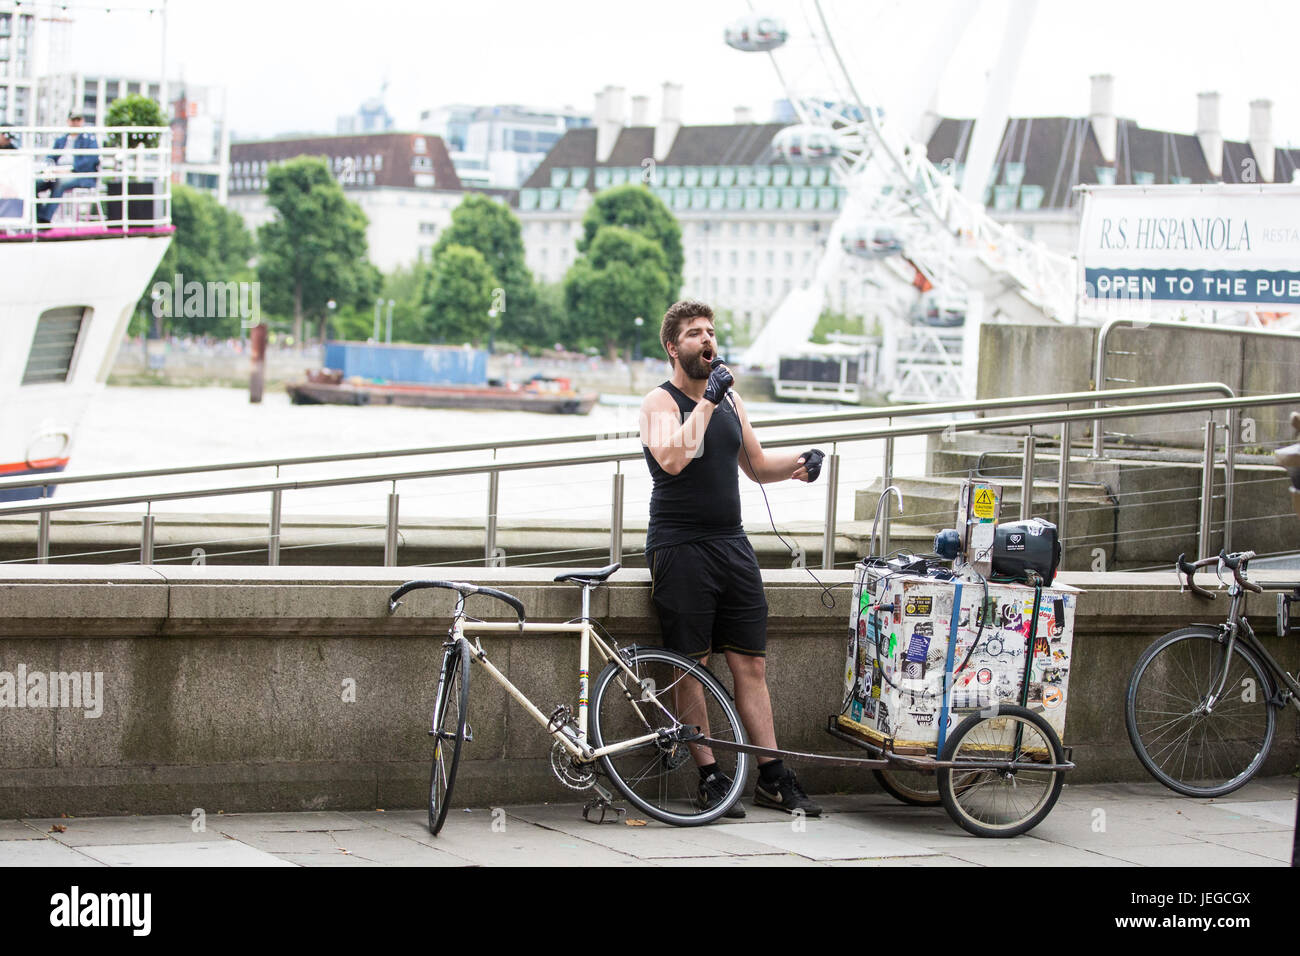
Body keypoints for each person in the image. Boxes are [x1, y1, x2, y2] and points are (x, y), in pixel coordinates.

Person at [639, 298, 826, 819]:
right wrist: (706, 401)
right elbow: (673, 459)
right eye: (695, 333)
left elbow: (758, 466)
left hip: (731, 544)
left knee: (751, 662)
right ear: (673, 347)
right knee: (689, 667)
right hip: (679, 548)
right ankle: (710, 776)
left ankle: (771, 775)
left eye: (711, 331)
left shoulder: (732, 402)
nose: (707, 339)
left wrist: (801, 462)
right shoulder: (658, 403)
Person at [37, 113, 99, 224]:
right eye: (73, 120)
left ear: (82, 121)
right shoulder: (61, 140)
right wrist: (49, 168)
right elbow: (50, 158)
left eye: (78, 120)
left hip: (80, 176)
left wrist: (70, 170)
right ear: (68, 121)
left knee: (61, 182)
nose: (75, 123)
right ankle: (38, 215)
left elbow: (90, 160)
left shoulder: (90, 139)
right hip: (56, 174)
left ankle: (45, 219)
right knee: (36, 183)